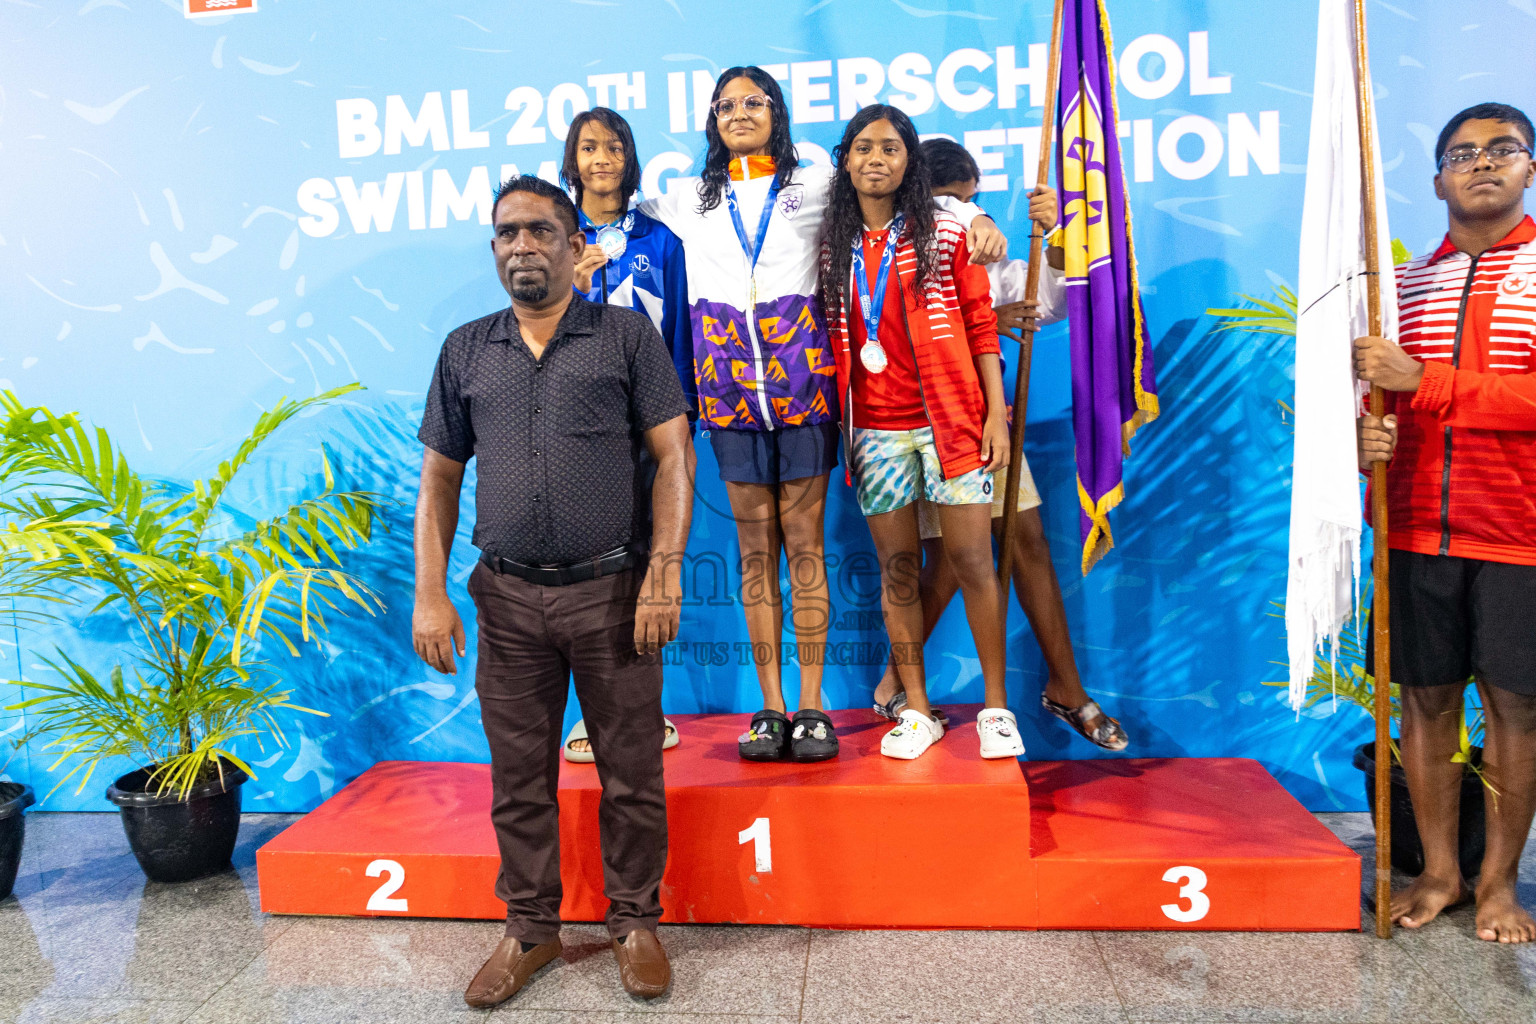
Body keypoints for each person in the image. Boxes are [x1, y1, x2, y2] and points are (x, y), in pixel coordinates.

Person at [637, 66, 1006, 763]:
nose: (739, 113)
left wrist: (977, 215)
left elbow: (904, 192)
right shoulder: (687, 199)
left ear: (778, 112)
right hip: (729, 391)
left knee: (804, 546)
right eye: (725, 105)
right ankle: (769, 707)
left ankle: (811, 706)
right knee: (754, 555)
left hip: (806, 388)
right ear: (711, 121)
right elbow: (614, 210)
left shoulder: (819, 183)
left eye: (754, 102)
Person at [411, 174, 694, 1004]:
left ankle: (635, 921)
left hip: (612, 593)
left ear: (577, 246)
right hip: (504, 600)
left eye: (540, 231)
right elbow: (438, 483)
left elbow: (675, 459)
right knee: (519, 778)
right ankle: (530, 931)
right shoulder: (466, 349)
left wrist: (662, 574)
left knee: (632, 772)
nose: (522, 246)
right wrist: (432, 594)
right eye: (507, 233)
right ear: (494, 248)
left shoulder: (627, 338)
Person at [865, 137, 1129, 753]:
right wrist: (983, 312)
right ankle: (891, 687)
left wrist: (1054, 234)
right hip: (914, 421)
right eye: (956, 203)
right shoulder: (897, 244)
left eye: (974, 202)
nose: (969, 216)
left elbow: (1057, 298)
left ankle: (1066, 686)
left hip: (985, 422)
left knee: (1026, 540)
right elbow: (894, 323)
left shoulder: (984, 251)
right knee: (955, 560)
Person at [1353, 102, 1536, 942]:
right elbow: (1383, 406)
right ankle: (1440, 873)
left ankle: (1500, 887)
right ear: (1436, 181)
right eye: (1463, 153)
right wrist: (1371, 438)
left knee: (1515, 713)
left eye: (1504, 150)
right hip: (1415, 529)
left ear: (1530, 168)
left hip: (1519, 534)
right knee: (1424, 707)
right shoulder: (1405, 288)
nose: (1483, 163)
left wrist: (1423, 382)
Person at [817, 106, 1016, 759]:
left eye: (892, 149)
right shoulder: (830, 248)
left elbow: (982, 327)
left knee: (972, 563)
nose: (877, 159)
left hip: (951, 423)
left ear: (910, 164)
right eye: (864, 148)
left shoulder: (944, 232)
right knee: (898, 571)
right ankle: (919, 711)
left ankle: (995, 709)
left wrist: (995, 414)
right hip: (875, 432)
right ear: (845, 161)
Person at [559, 106, 692, 763]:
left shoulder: (661, 241)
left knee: (643, 568)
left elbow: (683, 341)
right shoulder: (555, 237)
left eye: (613, 147)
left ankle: (646, 712)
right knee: (585, 570)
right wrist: (571, 286)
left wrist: (678, 416)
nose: (602, 159)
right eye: (589, 148)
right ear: (572, 159)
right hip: (576, 428)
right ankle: (588, 717)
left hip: (646, 427)